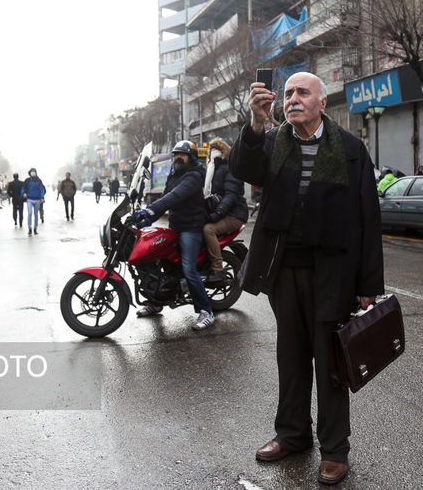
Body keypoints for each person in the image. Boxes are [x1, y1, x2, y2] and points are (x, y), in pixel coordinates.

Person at [229, 71, 384, 485]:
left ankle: (335, 450)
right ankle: (292, 434)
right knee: (291, 356)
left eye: (303, 92)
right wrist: (256, 123)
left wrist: (369, 285)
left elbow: (368, 216)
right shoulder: (272, 141)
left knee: (331, 361)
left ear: (322, 102)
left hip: (333, 272)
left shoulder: (350, 149)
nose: (293, 99)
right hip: (284, 270)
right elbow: (243, 167)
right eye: (288, 93)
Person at [133, 141, 215, 330]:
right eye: (176, 154)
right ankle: (156, 302)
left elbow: (175, 196)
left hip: (191, 228)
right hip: (175, 226)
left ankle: (206, 311)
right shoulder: (174, 175)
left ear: (191, 157)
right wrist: (147, 219)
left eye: (183, 154)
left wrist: (151, 209)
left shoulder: (194, 175)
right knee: (158, 260)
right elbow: (166, 200)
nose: (178, 157)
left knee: (188, 268)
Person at [202, 137, 249, 286]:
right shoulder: (210, 170)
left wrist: (218, 213)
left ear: (224, 152)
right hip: (220, 212)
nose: (214, 154)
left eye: (217, 151)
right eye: (212, 151)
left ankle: (217, 268)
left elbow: (231, 195)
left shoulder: (230, 168)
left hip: (234, 214)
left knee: (208, 230)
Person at [22, 167, 46, 236]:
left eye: (34, 171)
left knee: (36, 214)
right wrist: (24, 193)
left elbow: (41, 189)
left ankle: (35, 228)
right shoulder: (27, 180)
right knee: (29, 213)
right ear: (29, 173)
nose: (33, 172)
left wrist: (42, 197)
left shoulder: (39, 180)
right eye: (31, 171)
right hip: (29, 199)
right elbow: (23, 188)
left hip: (37, 199)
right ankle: (29, 228)